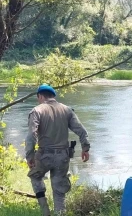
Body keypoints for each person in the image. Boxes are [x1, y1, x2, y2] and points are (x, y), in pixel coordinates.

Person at [25, 84, 91, 216]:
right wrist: (85, 148)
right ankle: (59, 214)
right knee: (59, 190)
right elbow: (82, 131)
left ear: (40, 96)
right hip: (63, 156)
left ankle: (45, 211)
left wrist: (30, 155)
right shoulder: (67, 110)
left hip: (44, 155)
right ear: (53, 96)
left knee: (35, 177)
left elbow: (32, 135)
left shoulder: (37, 111)